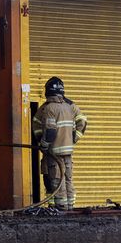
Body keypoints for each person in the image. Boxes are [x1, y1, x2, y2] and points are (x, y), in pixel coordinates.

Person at [32, 76, 88, 210]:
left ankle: (61, 206)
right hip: (67, 151)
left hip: (54, 150)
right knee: (68, 178)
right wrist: (72, 139)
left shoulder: (49, 108)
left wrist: (44, 145)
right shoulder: (68, 107)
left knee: (57, 179)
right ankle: (69, 206)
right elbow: (82, 122)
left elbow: (50, 131)